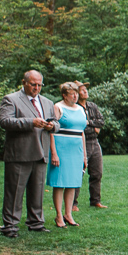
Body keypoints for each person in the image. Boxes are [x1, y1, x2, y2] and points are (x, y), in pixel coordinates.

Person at [0, 70, 58, 237]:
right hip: (19, 153)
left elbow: (56, 123)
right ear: (24, 83)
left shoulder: (47, 102)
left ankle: (36, 222)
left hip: (40, 153)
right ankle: (10, 226)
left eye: (39, 85)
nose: (36, 88)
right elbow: (5, 121)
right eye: (33, 84)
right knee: (15, 192)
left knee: (37, 191)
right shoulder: (11, 99)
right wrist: (31, 122)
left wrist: (51, 126)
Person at [47, 82, 87, 228]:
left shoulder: (81, 109)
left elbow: (82, 132)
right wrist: (54, 153)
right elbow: (51, 130)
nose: (75, 96)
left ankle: (68, 213)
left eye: (76, 93)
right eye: (72, 93)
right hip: (61, 147)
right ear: (64, 95)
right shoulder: (58, 107)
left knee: (72, 183)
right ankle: (58, 215)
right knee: (60, 183)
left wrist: (84, 155)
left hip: (76, 148)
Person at [76, 82, 107, 209]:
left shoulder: (92, 106)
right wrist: (93, 127)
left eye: (85, 90)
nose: (85, 92)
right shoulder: (75, 107)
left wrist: (89, 122)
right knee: (79, 172)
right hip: (82, 142)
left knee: (97, 172)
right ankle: (73, 203)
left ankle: (95, 200)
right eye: (82, 90)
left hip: (95, 142)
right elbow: (79, 127)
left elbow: (101, 121)